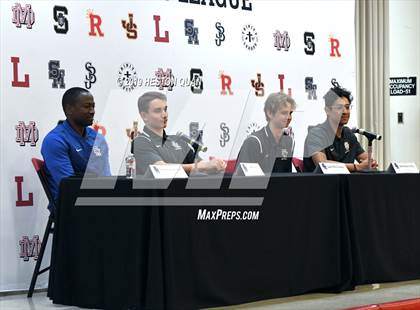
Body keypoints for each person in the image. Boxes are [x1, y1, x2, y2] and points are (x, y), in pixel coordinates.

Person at [41, 87, 111, 210]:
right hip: (70, 206)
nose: (92, 111)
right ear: (69, 110)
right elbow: (70, 186)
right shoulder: (54, 140)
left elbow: (105, 178)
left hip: (97, 200)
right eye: (86, 107)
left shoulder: (97, 138)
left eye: (93, 106)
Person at [133, 91, 226, 175]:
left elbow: (200, 165)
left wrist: (214, 165)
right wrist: (203, 166)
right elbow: (160, 168)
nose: (164, 115)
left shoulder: (177, 140)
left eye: (165, 109)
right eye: (158, 111)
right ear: (144, 116)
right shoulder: (140, 142)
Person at [303, 79, 378, 172]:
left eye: (347, 107)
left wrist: (370, 162)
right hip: (320, 184)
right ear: (327, 110)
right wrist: (356, 167)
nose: (345, 112)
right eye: (339, 107)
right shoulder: (316, 133)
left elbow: (365, 159)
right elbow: (322, 164)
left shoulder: (348, 134)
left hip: (346, 184)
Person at [236, 92, 296, 173]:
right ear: (270, 113)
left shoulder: (289, 141)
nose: (289, 117)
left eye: (290, 113)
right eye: (284, 113)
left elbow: (287, 176)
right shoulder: (254, 141)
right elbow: (241, 179)